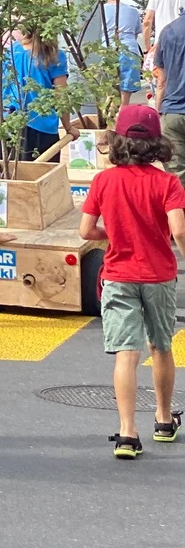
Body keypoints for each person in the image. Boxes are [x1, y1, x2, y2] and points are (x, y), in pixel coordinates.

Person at [77, 104, 183, 459]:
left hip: (119, 274)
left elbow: (85, 230)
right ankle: (164, 420)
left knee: (127, 352)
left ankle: (127, 433)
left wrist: (115, 234)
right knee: (161, 346)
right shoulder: (168, 183)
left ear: (116, 141)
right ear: (157, 144)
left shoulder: (103, 181)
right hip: (158, 274)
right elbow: (178, 229)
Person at [0, 26, 74, 160]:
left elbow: (3, 87)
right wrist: (68, 128)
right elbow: (61, 96)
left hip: (10, 122)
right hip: (41, 125)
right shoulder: (53, 55)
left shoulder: (11, 52)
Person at [80, 0, 144, 106]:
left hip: (107, 50)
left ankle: (110, 112)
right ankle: (123, 111)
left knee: (108, 86)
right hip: (129, 49)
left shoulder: (100, 11)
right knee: (126, 87)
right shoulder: (132, 11)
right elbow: (135, 34)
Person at [148, 10, 185, 185]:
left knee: (177, 176)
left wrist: (158, 113)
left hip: (172, 112)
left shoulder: (168, 31)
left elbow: (161, 81)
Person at [142, 0, 185, 87]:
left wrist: (147, 49)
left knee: (160, 83)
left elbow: (147, 21)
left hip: (161, 43)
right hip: (182, 42)